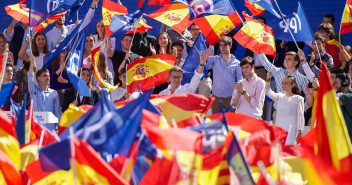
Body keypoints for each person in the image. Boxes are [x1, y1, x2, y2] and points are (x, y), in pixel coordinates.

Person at [258, 51, 308, 122]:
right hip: (278, 112)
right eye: (285, 59)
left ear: (295, 62)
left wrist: (302, 110)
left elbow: (308, 95)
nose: (286, 61)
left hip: (293, 114)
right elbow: (267, 64)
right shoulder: (279, 72)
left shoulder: (303, 78)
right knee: (277, 133)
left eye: (289, 59)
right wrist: (258, 50)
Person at [201, 36, 243, 114]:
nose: (222, 47)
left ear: (230, 46)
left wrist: (238, 94)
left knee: (230, 123)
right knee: (215, 123)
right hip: (216, 98)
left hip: (230, 98)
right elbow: (201, 61)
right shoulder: (214, 59)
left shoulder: (237, 63)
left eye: (224, 45)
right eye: (220, 45)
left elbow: (240, 80)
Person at [265, 72, 304, 145]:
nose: (283, 85)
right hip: (279, 129)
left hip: (291, 131)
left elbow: (300, 116)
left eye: (286, 83)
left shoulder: (298, 99)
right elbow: (267, 91)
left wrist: (300, 131)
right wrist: (268, 79)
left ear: (293, 85)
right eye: (282, 82)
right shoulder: (279, 96)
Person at [28, 55, 61, 120]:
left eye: (48, 76)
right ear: (38, 78)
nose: (48, 78)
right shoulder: (33, 90)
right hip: (36, 127)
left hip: (49, 128)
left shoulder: (54, 93)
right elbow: (30, 77)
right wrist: (31, 63)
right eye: (45, 76)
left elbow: (57, 112)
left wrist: (59, 127)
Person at [337, 73, 352, 141]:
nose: (335, 85)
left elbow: (334, 101)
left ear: (345, 83)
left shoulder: (348, 96)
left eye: (337, 83)